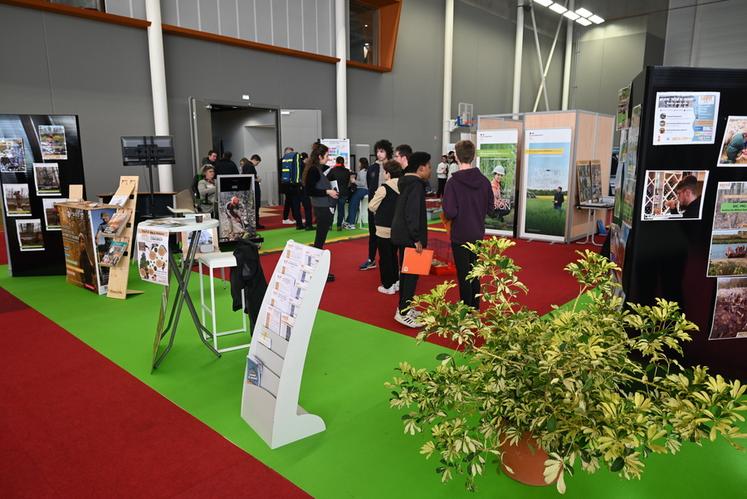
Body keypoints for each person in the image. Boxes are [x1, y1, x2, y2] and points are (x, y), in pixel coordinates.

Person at [442, 140, 494, 309]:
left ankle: (466, 308)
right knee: (475, 272)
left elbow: (450, 212)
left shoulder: (452, 183)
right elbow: (491, 209)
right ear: (473, 156)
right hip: (477, 233)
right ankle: (475, 306)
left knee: (464, 274)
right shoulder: (485, 182)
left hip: (459, 235)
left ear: (456, 157)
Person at [391, 151, 431, 328]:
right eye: (429, 167)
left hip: (403, 235)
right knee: (410, 275)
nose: (430, 170)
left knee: (407, 273)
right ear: (421, 168)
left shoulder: (406, 182)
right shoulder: (416, 185)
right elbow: (412, 213)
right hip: (410, 237)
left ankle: (405, 307)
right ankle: (403, 312)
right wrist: (416, 238)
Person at [303, 142, 339, 281]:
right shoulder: (313, 170)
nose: (328, 158)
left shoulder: (315, 168)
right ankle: (316, 270)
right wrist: (328, 191)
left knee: (320, 238)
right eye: (327, 155)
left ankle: (315, 269)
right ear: (320, 156)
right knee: (319, 239)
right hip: (321, 207)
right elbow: (310, 190)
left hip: (322, 206)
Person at [369, 160, 404, 294]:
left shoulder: (384, 188)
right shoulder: (403, 186)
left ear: (388, 173)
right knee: (394, 256)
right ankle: (395, 282)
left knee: (385, 258)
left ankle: (387, 285)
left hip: (383, 229)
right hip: (398, 228)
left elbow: (372, 206)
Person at [360, 139, 393, 271]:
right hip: (373, 206)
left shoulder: (393, 167)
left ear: (387, 152)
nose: (379, 154)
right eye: (377, 151)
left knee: (390, 235)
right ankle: (371, 259)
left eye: (382, 151)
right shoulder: (372, 168)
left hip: (389, 207)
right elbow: (370, 185)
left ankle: (390, 260)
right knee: (373, 234)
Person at [280, 146, 305, 230]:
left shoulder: (282, 160)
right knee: (295, 204)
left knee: (288, 202)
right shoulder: (295, 159)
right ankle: (298, 222)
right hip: (294, 185)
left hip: (286, 185)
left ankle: (290, 219)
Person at [327, 156, 351, 231]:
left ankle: (330, 226)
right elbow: (348, 182)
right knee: (341, 210)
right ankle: (339, 226)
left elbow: (327, 180)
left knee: (332, 210)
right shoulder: (347, 171)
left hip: (334, 192)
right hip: (344, 193)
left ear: (336, 162)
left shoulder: (332, 170)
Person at [241, 155, 264, 229]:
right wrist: (257, 179)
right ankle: (256, 223)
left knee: (251, 207)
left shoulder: (246, 165)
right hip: (253, 189)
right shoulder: (250, 166)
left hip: (249, 189)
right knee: (256, 206)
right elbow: (249, 177)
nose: (257, 164)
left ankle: (253, 223)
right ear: (255, 160)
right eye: (257, 163)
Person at [347, 157, 369, 228]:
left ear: (361, 163)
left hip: (362, 190)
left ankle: (351, 223)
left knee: (353, 204)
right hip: (366, 190)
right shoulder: (367, 171)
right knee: (353, 204)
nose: (358, 164)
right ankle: (349, 221)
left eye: (359, 162)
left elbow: (362, 183)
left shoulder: (362, 172)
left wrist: (354, 181)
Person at [299, 152, 314, 229]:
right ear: (306, 158)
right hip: (305, 189)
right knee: (308, 207)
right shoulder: (305, 167)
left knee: (302, 207)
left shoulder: (298, 166)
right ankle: (309, 224)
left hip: (298, 189)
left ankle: (300, 224)